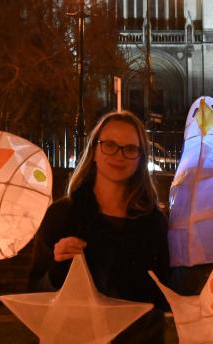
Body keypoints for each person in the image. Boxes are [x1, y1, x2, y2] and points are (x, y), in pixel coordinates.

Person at [28, 111, 170, 343]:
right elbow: (35, 291)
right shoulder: (62, 216)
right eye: (110, 145)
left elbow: (163, 296)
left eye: (130, 149)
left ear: (140, 158)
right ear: (94, 150)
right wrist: (57, 267)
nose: (119, 155)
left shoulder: (153, 222)